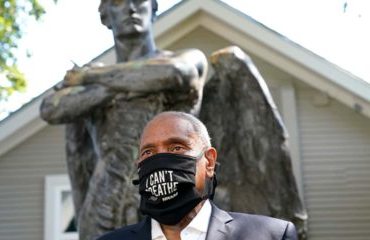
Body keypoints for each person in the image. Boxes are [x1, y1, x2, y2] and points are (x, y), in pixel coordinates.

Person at [40, 0, 207, 239]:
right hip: (104, 206)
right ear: (105, 17)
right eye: (118, 2)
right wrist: (133, 82)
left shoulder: (186, 58)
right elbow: (51, 108)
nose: (131, 8)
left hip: (169, 197)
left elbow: (177, 73)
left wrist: (91, 76)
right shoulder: (96, 83)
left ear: (154, 9)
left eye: (140, 1)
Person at [97, 111, 298, 240]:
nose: (160, 161)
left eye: (176, 147)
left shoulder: (270, 236)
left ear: (209, 162)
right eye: (148, 152)